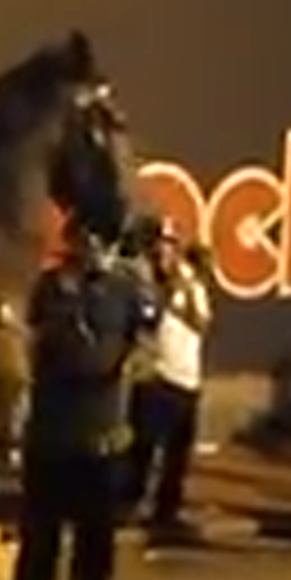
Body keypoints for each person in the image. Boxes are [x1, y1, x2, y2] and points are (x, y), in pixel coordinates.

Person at [8, 229, 158, 580]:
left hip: (104, 422)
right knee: (42, 520)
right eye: (87, 240)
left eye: (101, 240)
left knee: (98, 524)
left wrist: (133, 362)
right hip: (52, 420)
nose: (95, 248)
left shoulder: (125, 288)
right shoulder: (49, 286)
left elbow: (145, 336)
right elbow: (29, 337)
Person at [122, 229, 212, 543]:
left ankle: (166, 511)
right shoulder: (143, 285)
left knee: (177, 453)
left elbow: (201, 324)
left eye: (168, 248)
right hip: (153, 374)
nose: (162, 255)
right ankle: (129, 504)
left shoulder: (192, 286)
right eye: (157, 249)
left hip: (186, 377)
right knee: (142, 446)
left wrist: (180, 292)